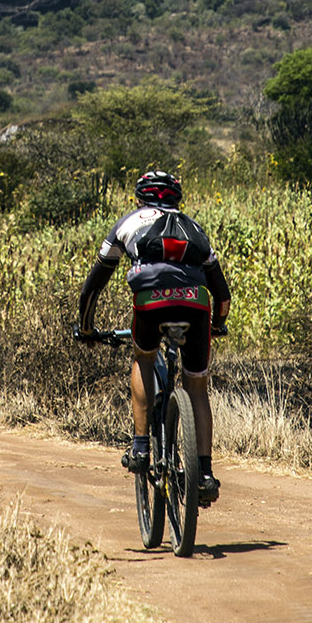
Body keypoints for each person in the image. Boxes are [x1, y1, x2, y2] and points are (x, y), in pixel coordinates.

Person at [77, 170, 231, 505]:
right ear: (178, 199)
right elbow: (222, 294)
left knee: (143, 356)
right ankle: (203, 473)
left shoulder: (128, 222)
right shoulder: (195, 229)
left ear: (138, 198)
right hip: (196, 305)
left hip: (150, 301)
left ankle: (141, 446)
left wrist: (87, 328)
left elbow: (94, 284)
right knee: (197, 385)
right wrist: (217, 324)